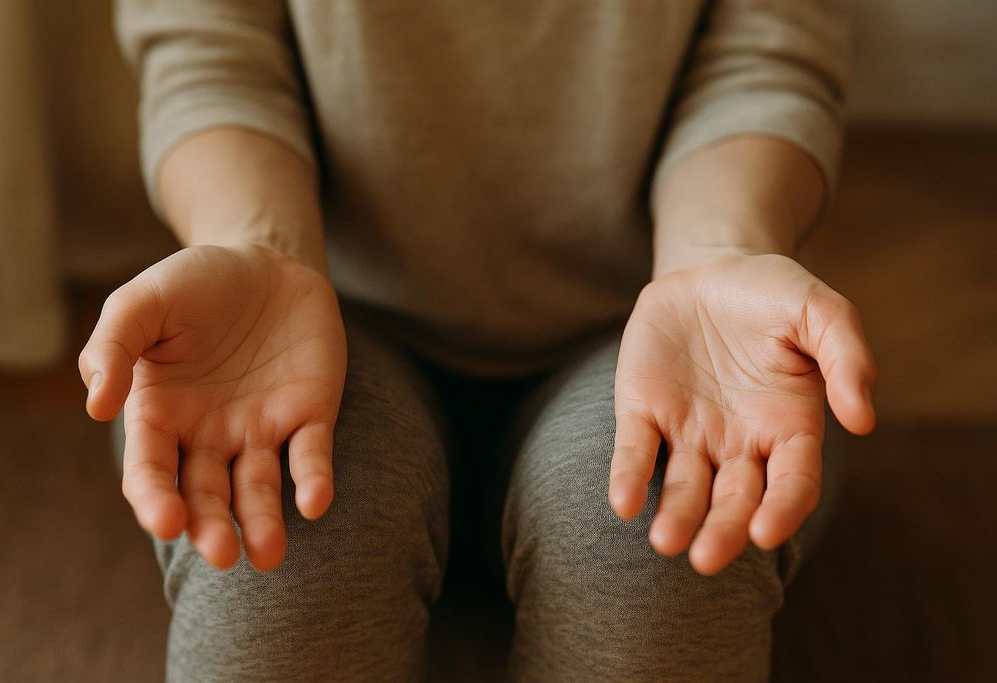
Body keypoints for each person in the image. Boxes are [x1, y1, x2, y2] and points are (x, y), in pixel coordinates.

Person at [79, 1, 876, 680]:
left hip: (655, 325)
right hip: (305, 320)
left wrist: (716, 256)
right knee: (274, 580)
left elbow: (762, 58)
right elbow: (208, 47)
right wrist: (260, 248)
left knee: (654, 577)